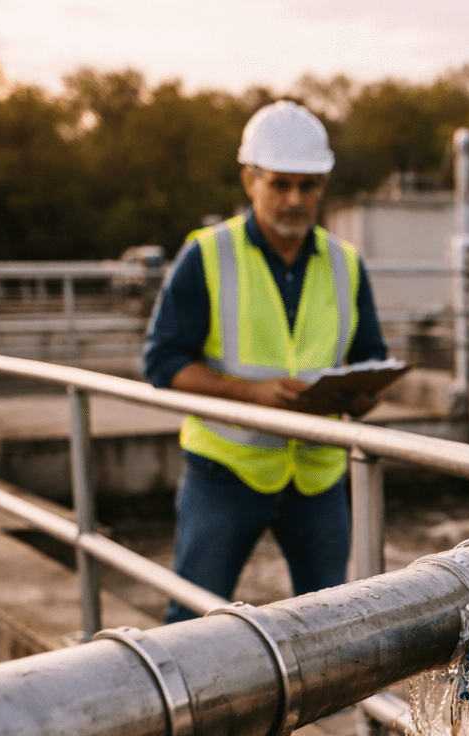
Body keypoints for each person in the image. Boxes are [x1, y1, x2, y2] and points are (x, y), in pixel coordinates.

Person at [143, 100, 388, 623]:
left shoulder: (346, 264)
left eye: (309, 185)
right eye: (280, 184)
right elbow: (163, 363)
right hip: (226, 470)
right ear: (249, 179)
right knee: (189, 623)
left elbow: (370, 355)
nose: (295, 199)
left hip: (318, 475)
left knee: (330, 625)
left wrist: (365, 394)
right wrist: (252, 395)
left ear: (324, 186)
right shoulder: (207, 254)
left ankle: (323, 709)